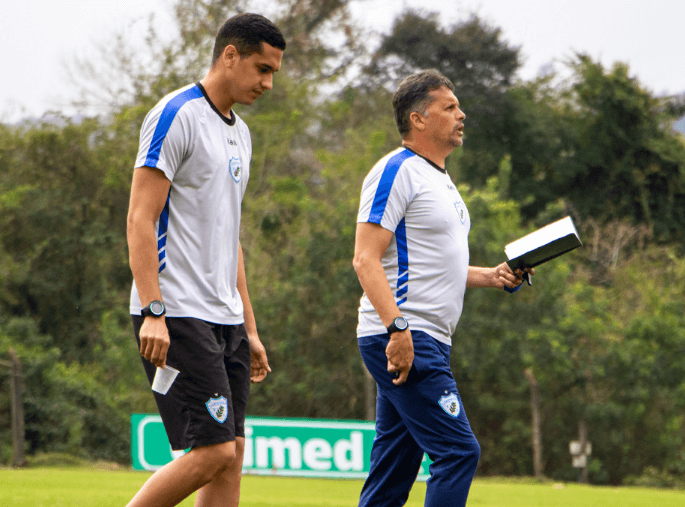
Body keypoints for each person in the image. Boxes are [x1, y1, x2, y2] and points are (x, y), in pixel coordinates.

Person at [125, 13, 285, 507]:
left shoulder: (242, 134)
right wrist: (153, 310)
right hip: (176, 311)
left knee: (231, 455)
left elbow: (229, 238)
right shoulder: (176, 114)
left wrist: (250, 329)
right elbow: (139, 219)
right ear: (229, 55)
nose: (268, 83)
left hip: (226, 318)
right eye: (261, 68)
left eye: (274, 71)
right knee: (212, 451)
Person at [352, 69, 533, 507]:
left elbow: (433, 263)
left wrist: (490, 275)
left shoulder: (441, 180)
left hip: (425, 336)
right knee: (458, 452)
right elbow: (365, 258)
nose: (461, 114)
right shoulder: (396, 171)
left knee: (394, 471)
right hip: (405, 334)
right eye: (449, 107)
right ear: (418, 119)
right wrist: (398, 330)